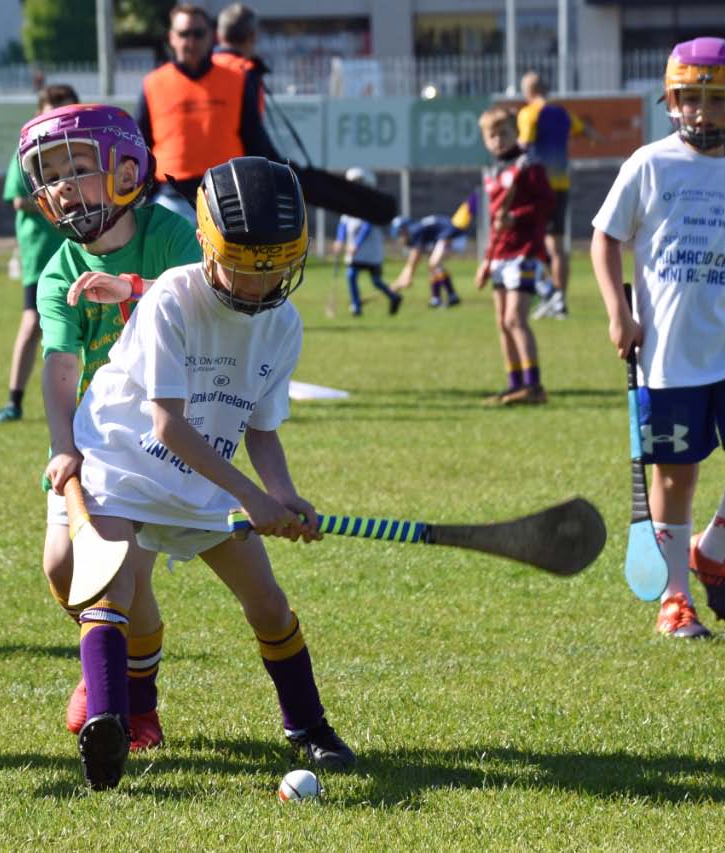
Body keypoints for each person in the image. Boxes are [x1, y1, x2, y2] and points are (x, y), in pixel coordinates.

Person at [64, 156, 356, 791]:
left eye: (275, 270)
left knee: (270, 606)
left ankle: (307, 726)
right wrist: (252, 497)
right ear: (204, 243)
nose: (258, 287)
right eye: (244, 270)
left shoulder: (283, 323)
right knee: (109, 591)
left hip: (208, 479)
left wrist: (282, 493)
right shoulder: (173, 297)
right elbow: (167, 425)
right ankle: (108, 726)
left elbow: (261, 427)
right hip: (127, 463)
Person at [19, 103, 202, 751]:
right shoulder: (57, 269)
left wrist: (126, 287)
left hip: (153, 440)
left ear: (126, 169)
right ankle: (108, 652)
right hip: (86, 444)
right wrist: (62, 445)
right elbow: (60, 366)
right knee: (64, 568)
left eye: (77, 167)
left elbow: (203, 301)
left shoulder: (171, 232)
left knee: (123, 575)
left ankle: (132, 700)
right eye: (51, 173)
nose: (63, 185)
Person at [591, 37, 725, 638]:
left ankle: (712, 554)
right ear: (671, 102)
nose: (703, 111)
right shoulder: (648, 163)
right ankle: (675, 600)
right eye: (691, 99)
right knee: (676, 477)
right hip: (669, 353)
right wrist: (619, 313)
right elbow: (605, 238)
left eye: (717, 101)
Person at [136, 4, 280, 224]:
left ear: (212, 36)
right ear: (172, 37)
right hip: (172, 199)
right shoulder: (153, 83)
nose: (191, 41)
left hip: (228, 196)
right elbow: (141, 143)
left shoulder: (237, 79)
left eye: (198, 33)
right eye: (184, 34)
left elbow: (254, 138)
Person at [0, 84, 79, 424]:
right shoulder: (29, 152)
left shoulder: (84, 149)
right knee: (33, 321)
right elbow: (19, 198)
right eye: (52, 111)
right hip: (42, 250)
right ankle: (14, 398)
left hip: (78, 246)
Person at [475, 106, 555, 406]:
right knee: (501, 321)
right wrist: (486, 259)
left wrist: (517, 217)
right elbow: (495, 221)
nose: (498, 140)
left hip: (524, 251)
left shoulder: (528, 165)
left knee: (515, 318)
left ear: (515, 133)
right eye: (491, 135)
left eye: (504, 133)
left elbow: (547, 203)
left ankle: (534, 386)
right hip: (500, 254)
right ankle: (514, 383)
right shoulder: (493, 170)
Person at [518, 71, 599, 318]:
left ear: (527, 91)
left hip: (538, 187)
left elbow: (523, 145)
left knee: (529, 242)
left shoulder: (529, 113)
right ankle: (559, 301)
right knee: (557, 245)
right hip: (561, 184)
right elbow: (586, 131)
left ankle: (546, 294)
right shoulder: (562, 114)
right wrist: (592, 137)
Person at [331, 168, 401, 316]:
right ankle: (356, 306)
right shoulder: (347, 202)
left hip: (370, 250)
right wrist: (339, 240)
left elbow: (367, 226)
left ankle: (394, 296)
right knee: (351, 276)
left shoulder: (369, 202)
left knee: (376, 281)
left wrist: (356, 243)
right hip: (354, 251)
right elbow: (343, 224)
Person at [388, 213, 466, 308]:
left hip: (452, 234)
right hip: (448, 233)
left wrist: (402, 281)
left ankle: (440, 298)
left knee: (433, 264)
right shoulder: (417, 229)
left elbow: (413, 261)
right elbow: (411, 263)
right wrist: (401, 280)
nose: (400, 238)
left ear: (404, 230)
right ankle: (449, 297)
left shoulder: (414, 232)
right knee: (435, 266)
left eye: (400, 234)